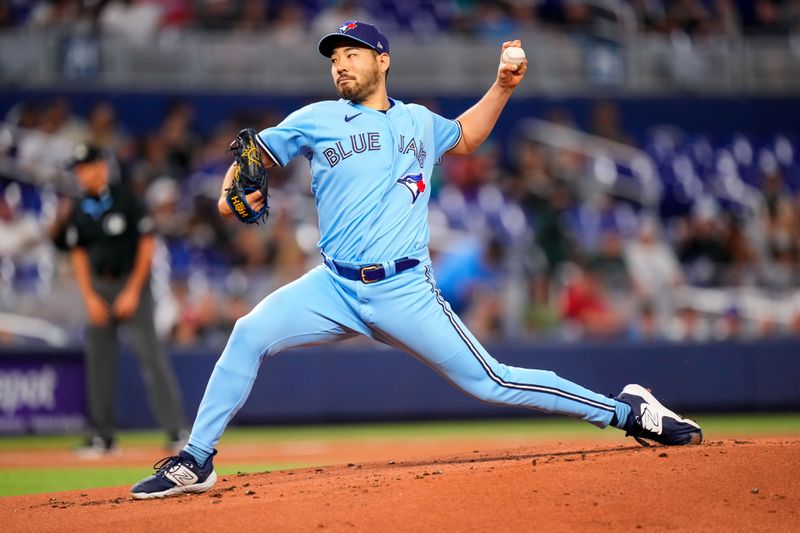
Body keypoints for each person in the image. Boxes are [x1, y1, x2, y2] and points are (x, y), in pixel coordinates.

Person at [130, 21, 702, 499]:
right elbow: (249, 157)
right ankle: (196, 459)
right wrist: (231, 188)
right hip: (332, 287)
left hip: (404, 291)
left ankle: (627, 412)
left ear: (383, 60)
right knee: (248, 332)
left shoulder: (418, 122)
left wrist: (501, 86)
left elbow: (467, 137)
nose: (340, 65)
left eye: (352, 54)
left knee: (492, 382)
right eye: (334, 57)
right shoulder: (316, 118)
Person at [53, 142, 188, 455]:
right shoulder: (78, 206)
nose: (80, 173)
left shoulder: (125, 197)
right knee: (98, 361)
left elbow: (146, 243)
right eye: (78, 168)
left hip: (132, 283)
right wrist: (88, 296)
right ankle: (103, 437)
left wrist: (131, 290)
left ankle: (176, 430)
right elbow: (78, 254)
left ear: (101, 166)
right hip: (99, 285)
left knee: (151, 356)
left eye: (85, 166)